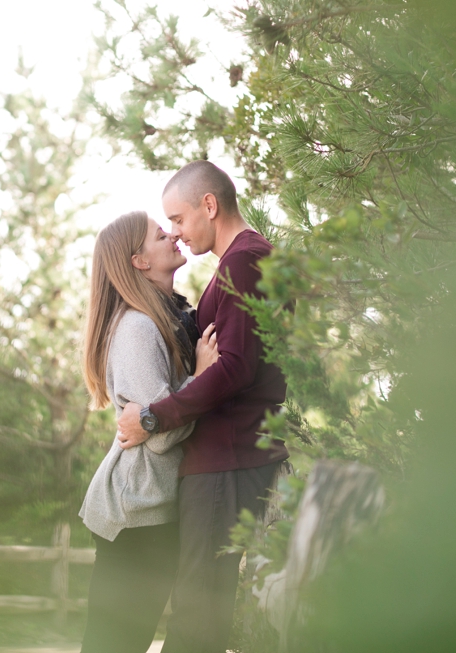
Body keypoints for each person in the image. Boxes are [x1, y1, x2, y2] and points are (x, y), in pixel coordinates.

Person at [116, 161, 290, 653]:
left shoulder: (246, 261)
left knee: (198, 614)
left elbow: (235, 368)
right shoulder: (239, 263)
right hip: (221, 461)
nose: (174, 232)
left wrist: (153, 416)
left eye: (177, 218)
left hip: (228, 460)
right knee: (201, 610)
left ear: (209, 206)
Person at [78, 210, 219, 653]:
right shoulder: (137, 328)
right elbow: (158, 435)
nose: (173, 235)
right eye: (161, 235)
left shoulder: (168, 317)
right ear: (139, 261)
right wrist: (201, 376)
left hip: (152, 512)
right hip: (136, 514)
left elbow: (155, 417)